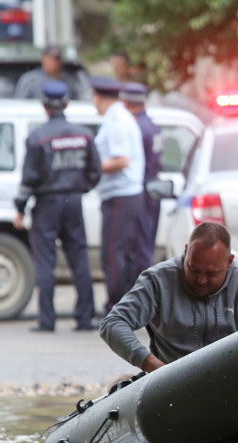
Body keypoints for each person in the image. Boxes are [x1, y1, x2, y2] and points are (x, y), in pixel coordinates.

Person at [100, 222, 238, 372]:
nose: (201, 280)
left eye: (211, 273)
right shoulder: (158, 280)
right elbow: (113, 323)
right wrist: (150, 363)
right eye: (193, 269)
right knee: (118, 384)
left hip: (232, 380)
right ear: (186, 251)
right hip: (171, 384)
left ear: (229, 262)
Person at [12, 80, 102, 332]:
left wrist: (19, 208)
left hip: (46, 205)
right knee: (79, 257)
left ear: (44, 105)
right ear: (66, 103)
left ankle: (47, 320)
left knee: (45, 261)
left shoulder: (37, 138)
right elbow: (95, 172)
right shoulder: (83, 135)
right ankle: (84, 318)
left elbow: (28, 179)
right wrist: (81, 188)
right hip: (73, 202)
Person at [90, 75, 145, 313]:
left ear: (99, 97)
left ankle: (116, 306)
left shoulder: (116, 121)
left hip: (120, 195)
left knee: (113, 253)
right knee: (121, 252)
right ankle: (125, 305)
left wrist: (92, 167)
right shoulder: (118, 117)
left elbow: (121, 160)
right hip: (122, 194)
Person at [121, 82, 163, 271]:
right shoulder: (153, 126)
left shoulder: (135, 127)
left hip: (141, 191)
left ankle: (143, 294)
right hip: (153, 189)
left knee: (138, 248)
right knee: (146, 244)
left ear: (125, 103)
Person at [14, 44, 85, 100]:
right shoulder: (30, 80)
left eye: (57, 58)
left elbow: (80, 101)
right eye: (51, 58)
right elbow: (20, 104)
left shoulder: (70, 80)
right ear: (43, 58)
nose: (54, 62)